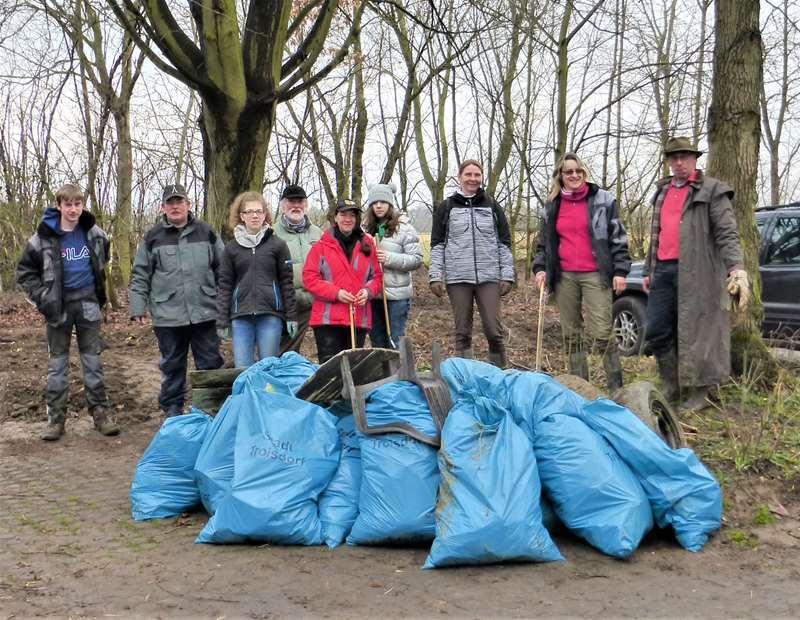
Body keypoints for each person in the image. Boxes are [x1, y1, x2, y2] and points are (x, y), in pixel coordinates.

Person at [643, 137, 748, 410]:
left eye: (684, 157)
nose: (679, 162)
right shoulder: (662, 191)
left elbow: (727, 233)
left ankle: (701, 391)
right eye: (673, 157)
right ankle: (672, 383)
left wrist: (736, 267)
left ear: (694, 159)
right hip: (663, 270)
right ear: (668, 161)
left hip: (699, 271)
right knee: (656, 328)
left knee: (699, 331)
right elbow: (655, 236)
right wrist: (648, 270)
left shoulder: (712, 191)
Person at [16, 183, 119, 440]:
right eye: (68, 204)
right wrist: (42, 297)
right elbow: (25, 273)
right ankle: (56, 420)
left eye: (77, 204)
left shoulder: (94, 233)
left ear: (82, 205)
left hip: (88, 303)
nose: (73, 210)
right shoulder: (43, 237)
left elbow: (102, 259)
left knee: (93, 361)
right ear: (59, 206)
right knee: (57, 364)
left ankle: (101, 414)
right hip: (57, 307)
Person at [532, 153, 631, 392]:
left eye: (578, 171)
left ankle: (617, 387)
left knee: (601, 332)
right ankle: (581, 386)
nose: (574, 175)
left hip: (596, 274)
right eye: (569, 172)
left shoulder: (603, 200)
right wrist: (540, 268)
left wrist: (620, 270)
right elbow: (544, 242)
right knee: (571, 333)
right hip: (564, 276)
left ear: (584, 173)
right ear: (561, 177)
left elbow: (618, 237)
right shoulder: (552, 205)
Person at [129, 183, 225, 417]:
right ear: (163, 207)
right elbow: (141, 274)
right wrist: (138, 306)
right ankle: (172, 410)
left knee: (210, 363)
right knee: (172, 365)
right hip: (167, 315)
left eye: (179, 202)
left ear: (188, 205)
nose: (175, 207)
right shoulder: (152, 238)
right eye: (170, 203)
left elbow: (224, 270)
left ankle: (210, 408)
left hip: (205, 310)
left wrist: (225, 303)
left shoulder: (207, 232)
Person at [428, 159, 515, 368]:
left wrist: (507, 274)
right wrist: (435, 275)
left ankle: (500, 373)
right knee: (462, 332)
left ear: (482, 177)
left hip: (489, 277)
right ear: (459, 177)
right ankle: (466, 377)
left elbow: (504, 243)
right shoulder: (446, 207)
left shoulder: (492, 206)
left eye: (477, 175)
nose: (473, 179)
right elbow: (437, 244)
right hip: (458, 279)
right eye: (468, 175)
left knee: (494, 330)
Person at [216, 191, 297, 367]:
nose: (254, 215)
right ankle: (246, 395)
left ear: (265, 215)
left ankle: (268, 395)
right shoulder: (231, 249)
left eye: (259, 211)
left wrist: (291, 316)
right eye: (249, 212)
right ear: (241, 216)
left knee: (269, 367)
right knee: (243, 369)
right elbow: (224, 285)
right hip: (241, 317)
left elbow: (286, 283)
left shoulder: (278, 245)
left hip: (270, 315)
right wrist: (222, 319)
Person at [302, 198, 382, 363]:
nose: (348, 219)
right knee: (330, 370)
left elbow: (377, 278)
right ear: (335, 217)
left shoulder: (368, 246)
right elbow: (310, 278)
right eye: (343, 214)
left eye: (352, 215)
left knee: (353, 368)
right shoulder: (321, 247)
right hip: (327, 319)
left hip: (358, 317)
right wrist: (336, 293)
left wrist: (368, 292)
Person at [363, 183, 423, 349]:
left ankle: (398, 374)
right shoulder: (365, 229)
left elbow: (416, 259)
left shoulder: (404, 228)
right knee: (377, 343)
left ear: (390, 204)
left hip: (397, 296)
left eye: (383, 202)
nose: (379, 205)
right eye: (375, 202)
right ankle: (383, 374)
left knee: (396, 342)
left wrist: (389, 258)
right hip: (373, 295)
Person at [272, 184, 322, 354]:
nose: (296, 205)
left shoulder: (318, 234)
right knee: (284, 351)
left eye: (299, 201)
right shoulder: (272, 234)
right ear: (282, 205)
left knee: (327, 349)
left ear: (306, 204)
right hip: (287, 303)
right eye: (291, 201)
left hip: (316, 301)